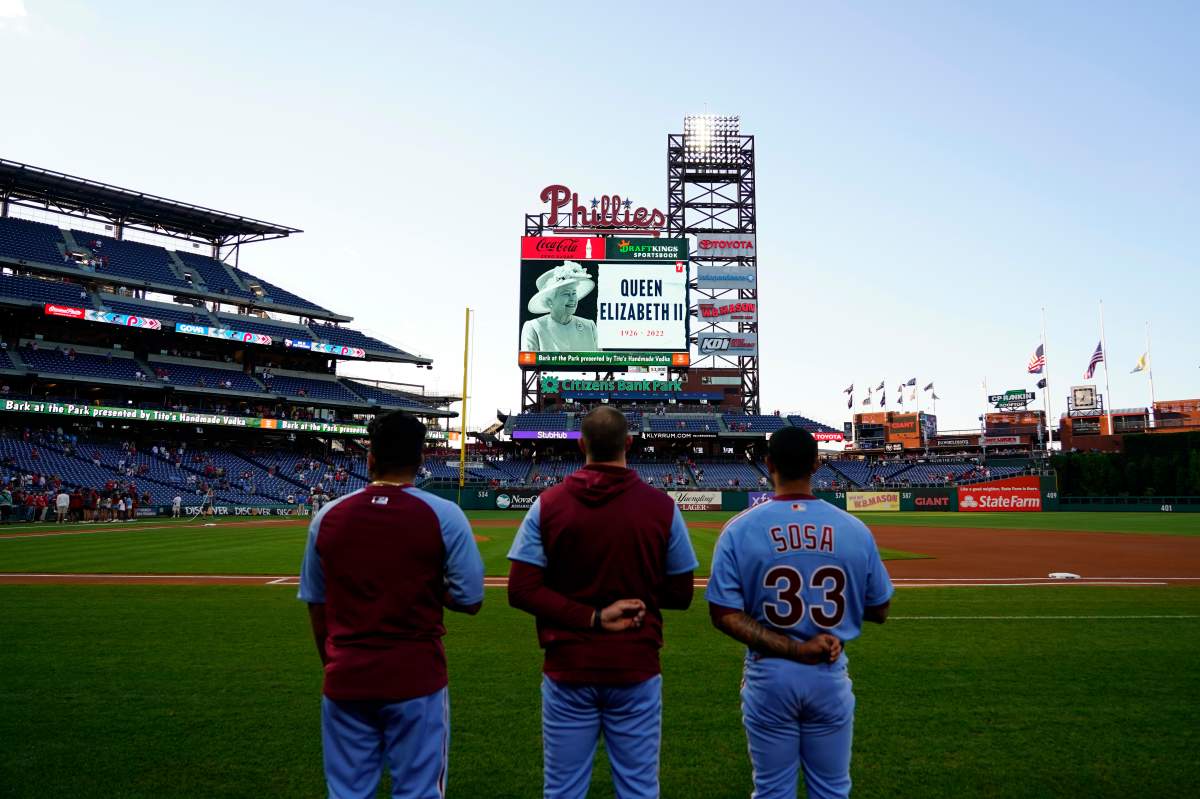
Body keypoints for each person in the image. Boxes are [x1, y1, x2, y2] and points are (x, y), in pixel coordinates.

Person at [507, 406, 699, 799]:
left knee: (562, 790)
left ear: (581, 444)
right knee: (639, 789)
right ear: (629, 443)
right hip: (636, 665)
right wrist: (640, 596)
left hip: (567, 667)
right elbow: (681, 594)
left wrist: (591, 616)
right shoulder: (662, 507)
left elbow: (521, 589)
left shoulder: (548, 504)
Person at [298, 410, 485, 799]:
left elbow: (317, 606)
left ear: (370, 457)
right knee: (418, 792)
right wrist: (428, 584)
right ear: (421, 460)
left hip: (347, 675)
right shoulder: (444, 514)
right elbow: (470, 599)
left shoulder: (327, 516)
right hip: (416, 677)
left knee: (348, 793)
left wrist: (334, 663)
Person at [706, 427, 894, 799]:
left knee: (772, 790)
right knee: (832, 790)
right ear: (817, 463)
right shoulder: (854, 529)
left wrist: (792, 647)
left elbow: (723, 613)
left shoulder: (739, 529)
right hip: (829, 670)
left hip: (769, 674)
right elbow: (880, 608)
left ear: (768, 464)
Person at [519, 261, 599, 352]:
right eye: (566, 294)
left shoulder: (589, 326)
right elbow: (530, 365)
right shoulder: (534, 327)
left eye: (574, 293)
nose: (573, 299)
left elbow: (601, 364)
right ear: (549, 302)